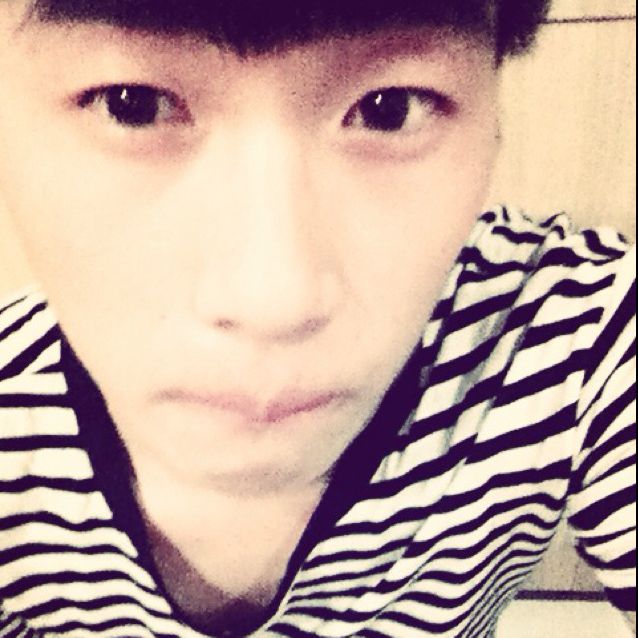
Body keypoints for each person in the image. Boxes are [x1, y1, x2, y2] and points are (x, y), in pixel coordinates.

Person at [0, 1, 635, 636]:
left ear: (495, 120)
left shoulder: (577, 333)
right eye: (132, 105)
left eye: (389, 109)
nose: (273, 301)